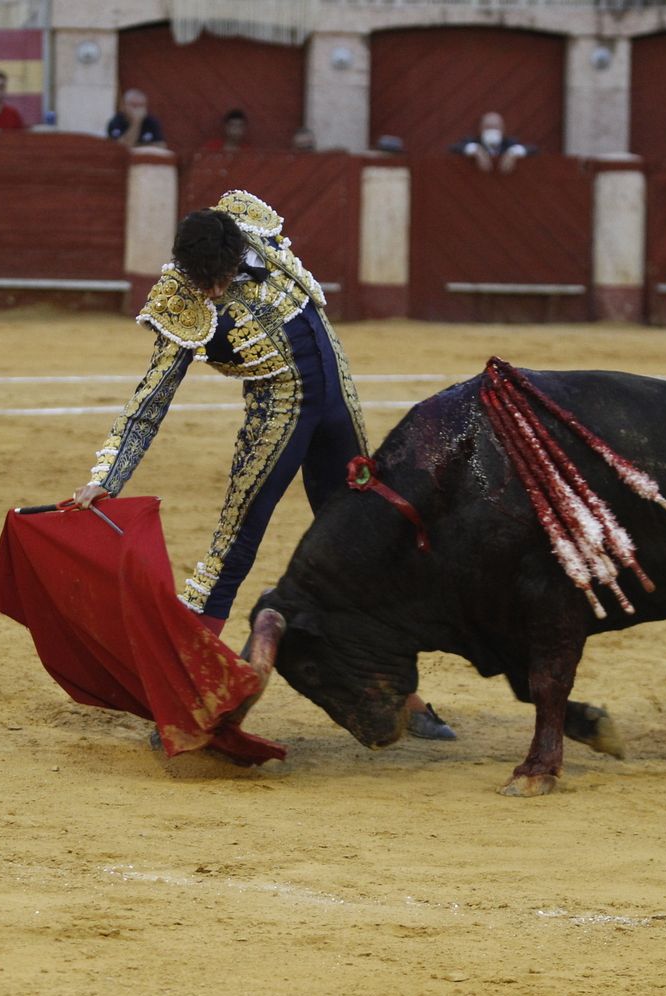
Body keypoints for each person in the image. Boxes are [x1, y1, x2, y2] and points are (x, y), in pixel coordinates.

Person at [71, 190, 456, 741]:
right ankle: (186, 692)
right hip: (278, 416)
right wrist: (106, 479)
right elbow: (150, 400)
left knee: (364, 542)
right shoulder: (184, 296)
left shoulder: (255, 227)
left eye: (219, 277)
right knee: (233, 544)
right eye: (203, 282)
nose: (214, 292)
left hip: (337, 400)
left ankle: (403, 696)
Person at [451, 111, 532, 174]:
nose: (491, 130)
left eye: (495, 127)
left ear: (503, 130)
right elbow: (453, 148)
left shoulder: (510, 142)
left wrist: (512, 152)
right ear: (480, 129)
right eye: (487, 127)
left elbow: (533, 149)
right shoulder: (473, 141)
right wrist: (477, 150)